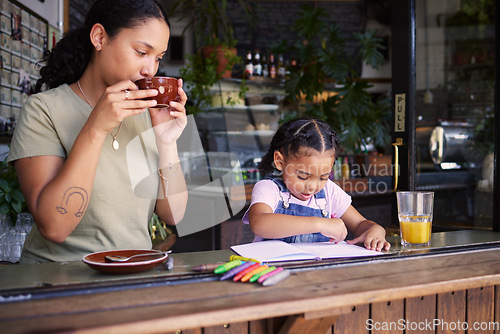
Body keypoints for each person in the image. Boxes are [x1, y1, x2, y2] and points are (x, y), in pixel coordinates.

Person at [7, 0, 188, 263]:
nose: (151, 69)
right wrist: (95, 128)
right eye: (141, 52)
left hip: (131, 275)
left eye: (158, 58)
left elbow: (173, 215)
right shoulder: (43, 110)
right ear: (99, 37)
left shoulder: (147, 116)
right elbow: (54, 227)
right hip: (57, 281)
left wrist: (167, 141)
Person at [243, 117, 391, 251]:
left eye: (323, 177)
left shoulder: (330, 192)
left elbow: (360, 225)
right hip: (273, 270)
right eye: (303, 176)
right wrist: (320, 224)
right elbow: (259, 224)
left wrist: (376, 231)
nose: (313, 187)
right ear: (280, 162)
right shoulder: (269, 189)